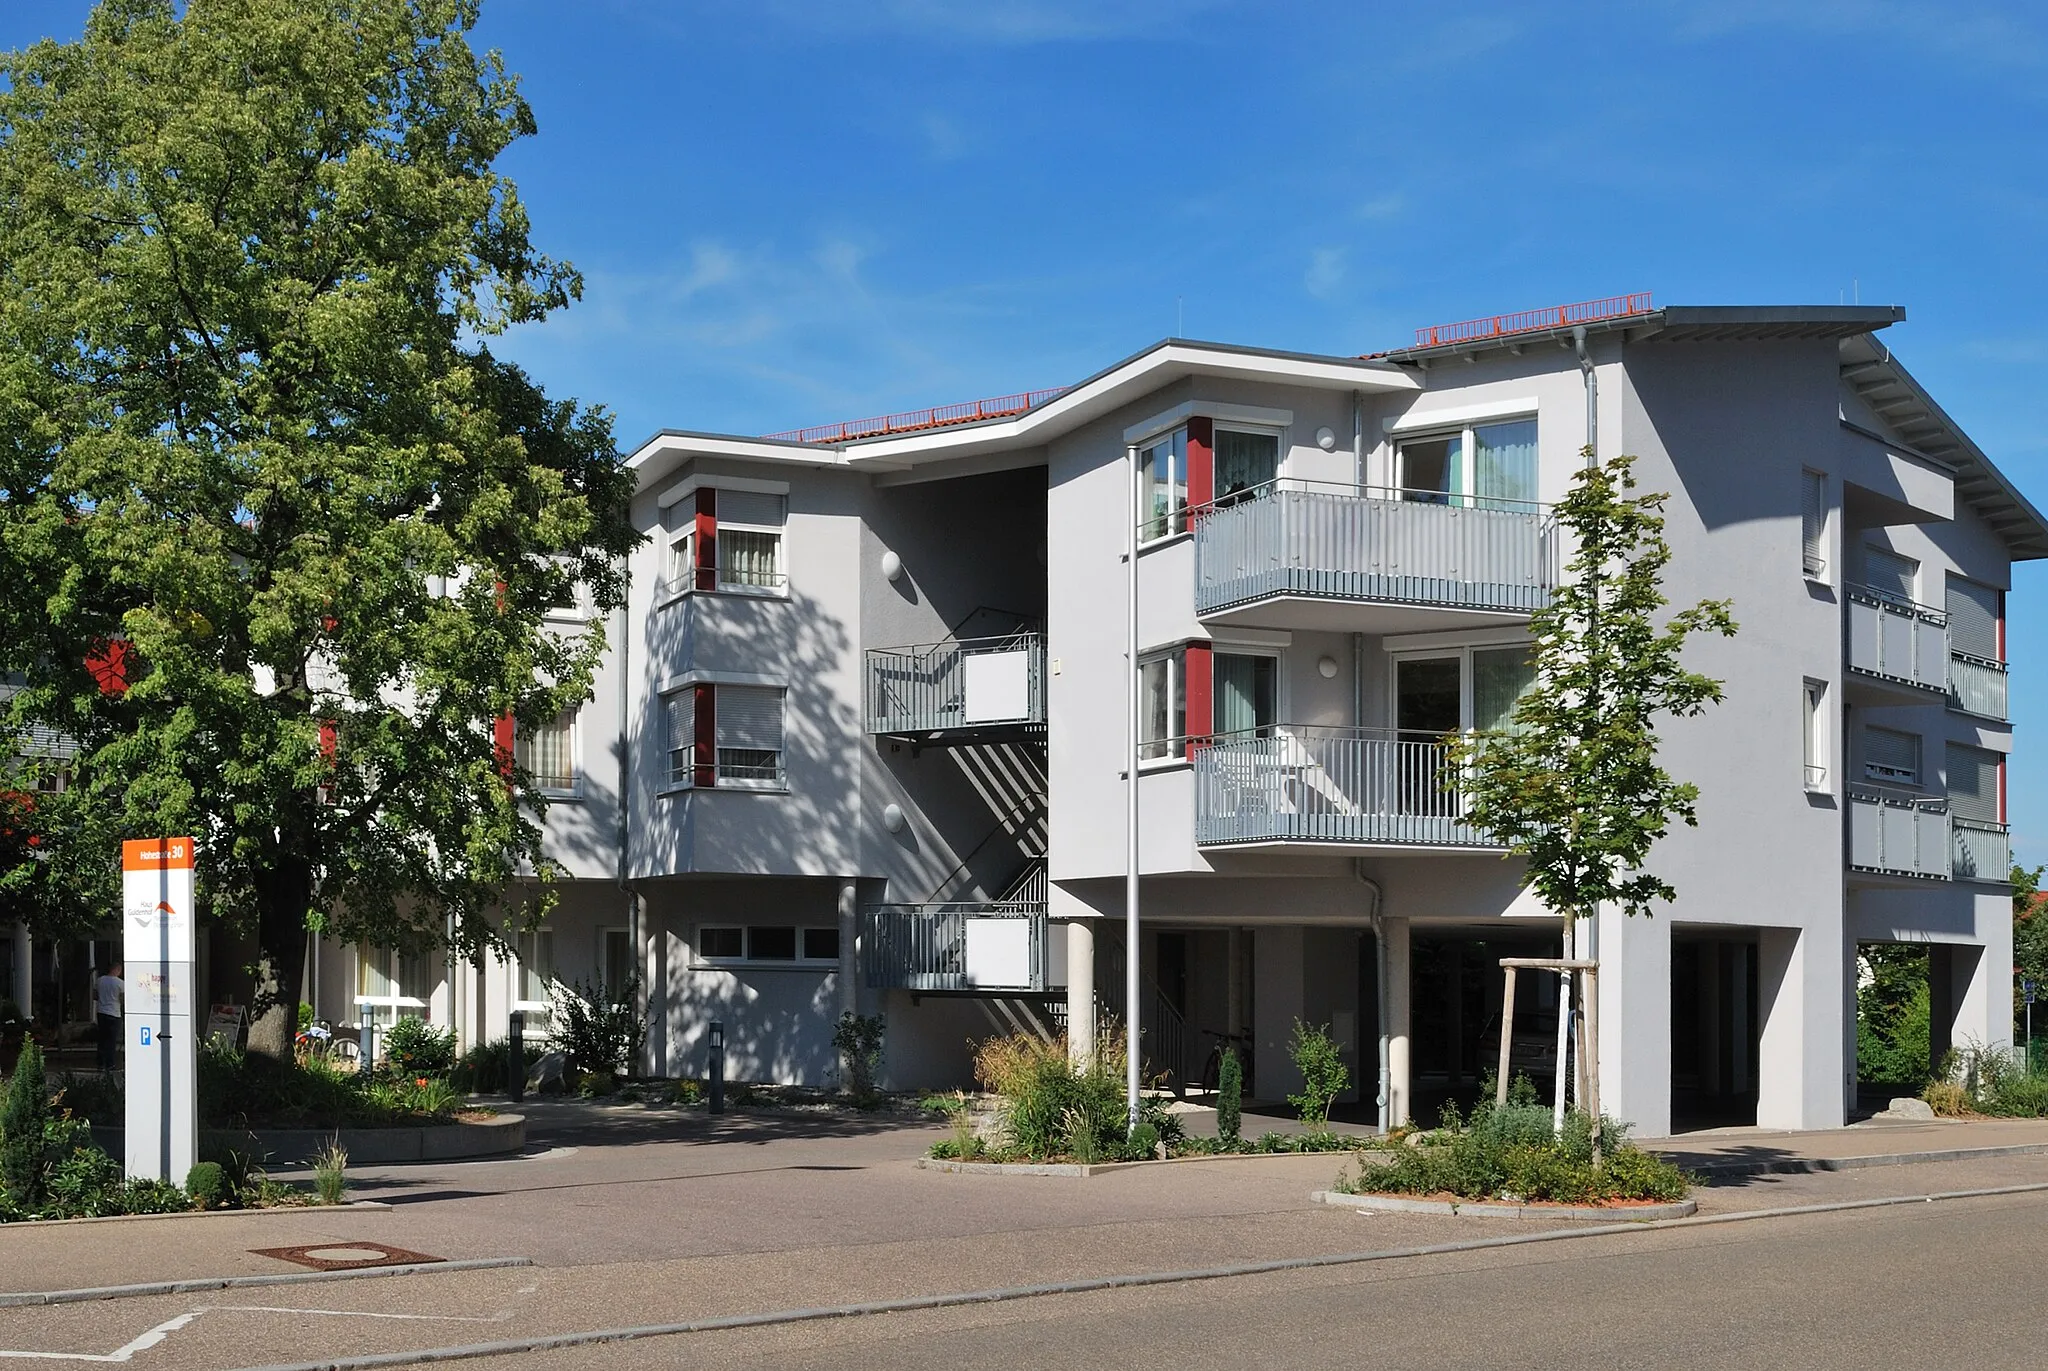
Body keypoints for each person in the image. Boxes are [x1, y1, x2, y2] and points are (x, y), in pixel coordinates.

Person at [95, 962, 123, 1072]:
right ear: (118, 970)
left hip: (101, 1012)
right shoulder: (120, 983)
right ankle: (110, 1064)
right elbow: (122, 998)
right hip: (114, 1013)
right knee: (111, 1040)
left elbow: (95, 995)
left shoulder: (100, 980)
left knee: (102, 1039)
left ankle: (100, 1064)